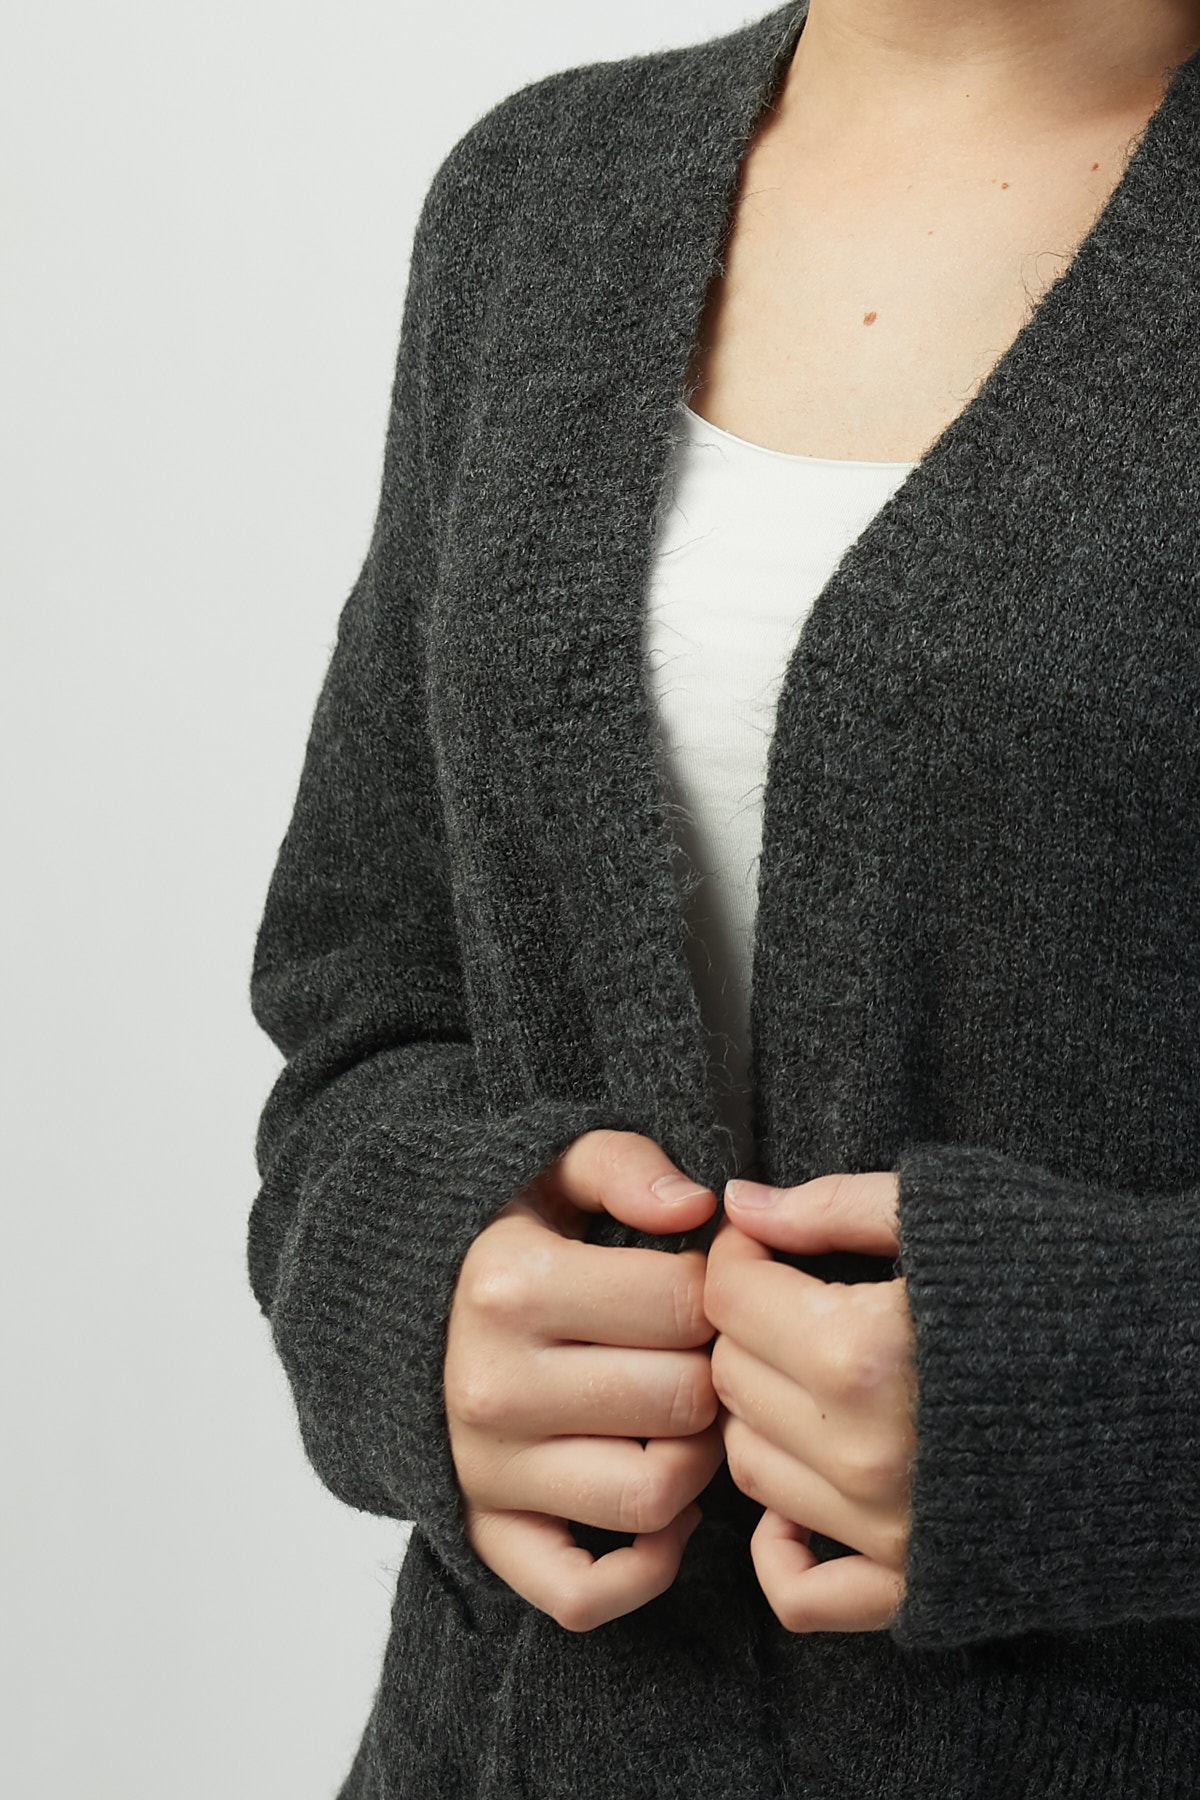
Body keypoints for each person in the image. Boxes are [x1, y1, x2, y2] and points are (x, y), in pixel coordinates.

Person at [246, 1, 1200, 1793]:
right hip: (510, 1743)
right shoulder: (540, 196)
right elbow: (362, 999)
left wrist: (1109, 1401)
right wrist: (418, 1286)